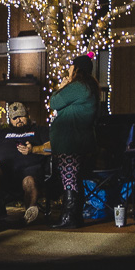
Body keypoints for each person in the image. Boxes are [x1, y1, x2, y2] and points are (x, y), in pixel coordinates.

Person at [0, 101, 50, 223]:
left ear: (27, 116)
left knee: (29, 181)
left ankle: (30, 213)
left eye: (21, 116)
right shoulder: (0, 133)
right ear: (10, 119)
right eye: (15, 118)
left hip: (30, 174)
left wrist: (33, 149)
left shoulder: (39, 130)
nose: (18, 120)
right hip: (4, 174)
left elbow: (52, 147)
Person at [50, 54, 99, 229]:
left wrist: (62, 87)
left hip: (70, 143)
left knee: (69, 180)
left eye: (71, 66)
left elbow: (54, 102)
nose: (69, 69)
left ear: (77, 69)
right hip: (78, 142)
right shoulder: (88, 87)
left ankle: (68, 218)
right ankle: (75, 217)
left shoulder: (78, 87)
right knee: (72, 180)